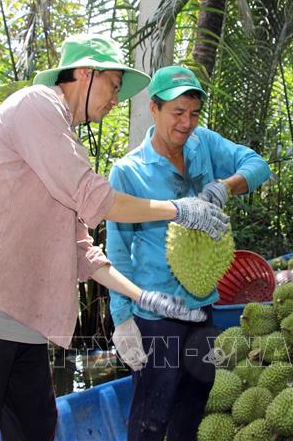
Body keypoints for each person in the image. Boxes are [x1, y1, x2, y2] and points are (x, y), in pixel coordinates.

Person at [0, 35, 230, 440]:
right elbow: (97, 198)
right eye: (113, 86)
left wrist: (143, 297)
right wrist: (180, 209)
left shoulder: (65, 144)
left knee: (39, 430)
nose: (116, 101)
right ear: (86, 73)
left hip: (26, 323)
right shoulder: (34, 105)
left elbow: (80, 250)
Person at [106, 65, 271, 440]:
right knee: (153, 412)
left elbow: (257, 166)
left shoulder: (204, 144)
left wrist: (225, 186)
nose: (186, 123)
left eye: (194, 114)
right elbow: (117, 251)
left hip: (201, 307)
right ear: (154, 109)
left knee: (195, 401)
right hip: (154, 314)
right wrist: (122, 319)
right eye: (177, 113)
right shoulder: (129, 172)